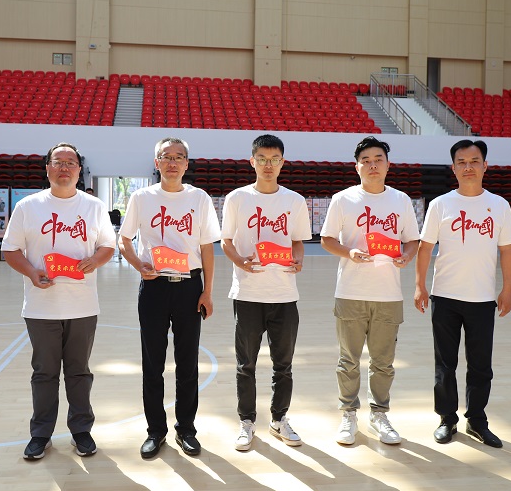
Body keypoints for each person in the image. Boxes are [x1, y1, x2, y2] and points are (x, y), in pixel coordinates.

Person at [1, 142, 117, 461]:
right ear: (47, 168)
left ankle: (81, 431)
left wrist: (95, 260)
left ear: (79, 170)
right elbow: (10, 249)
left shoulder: (94, 206)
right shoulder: (28, 206)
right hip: (41, 307)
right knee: (44, 373)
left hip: (83, 306)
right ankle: (41, 434)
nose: (64, 167)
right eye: (58, 161)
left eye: (70, 162)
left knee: (79, 372)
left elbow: (108, 245)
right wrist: (32, 272)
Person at [118, 137, 221, 459]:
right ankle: (156, 431)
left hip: (189, 287)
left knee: (187, 364)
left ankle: (186, 429)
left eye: (179, 157)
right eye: (166, 157)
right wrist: (138, 265)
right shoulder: (141, 198)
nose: (172, 162)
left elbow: (207, 247)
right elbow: (124, 239)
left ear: (187, 164)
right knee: (153, 364)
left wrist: (207, 291)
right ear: (157, 163)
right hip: (154, 288)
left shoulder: (199, 198)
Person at [414, 139, 511, 449]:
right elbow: (424, 248)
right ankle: (447, 419)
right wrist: (420, 285)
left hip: (482, 299)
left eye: (474, 161)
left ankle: (477, 420)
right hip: (445, 296)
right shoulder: (440, 204)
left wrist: (507, 289)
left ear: (485, 166)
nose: (468, 167)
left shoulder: (499, 205)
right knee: (444, 364)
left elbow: (507, 250)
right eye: (462, 162)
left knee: (481, 366)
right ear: (453, 168)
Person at [320, 137, 420, 446]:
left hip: (388, 294)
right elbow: (326, 239)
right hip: (350, 291)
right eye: (366, 160)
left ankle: (379, 414)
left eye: (378, 159)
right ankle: (349, 413)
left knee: (383, 362)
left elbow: (412, 240)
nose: (372, 164)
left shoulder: (401, 200)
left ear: (388, 165)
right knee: (348, 360)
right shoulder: (343, 199)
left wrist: (407, 256)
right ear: (357, 166)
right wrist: (349, 252)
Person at [221, 134, 312, 451]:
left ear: (282, 162)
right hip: (247, 294)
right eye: (262, 159)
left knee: (283, 365)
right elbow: (226, 241)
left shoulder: (294, 201)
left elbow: (298, 241)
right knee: (245, 364)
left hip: (284, 295)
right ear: (252, 161)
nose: (268, 165)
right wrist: (240, 262)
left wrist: (298, 259)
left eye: (274, 159)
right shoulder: (237, 199)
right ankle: (246, 422)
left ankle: (279, 419)